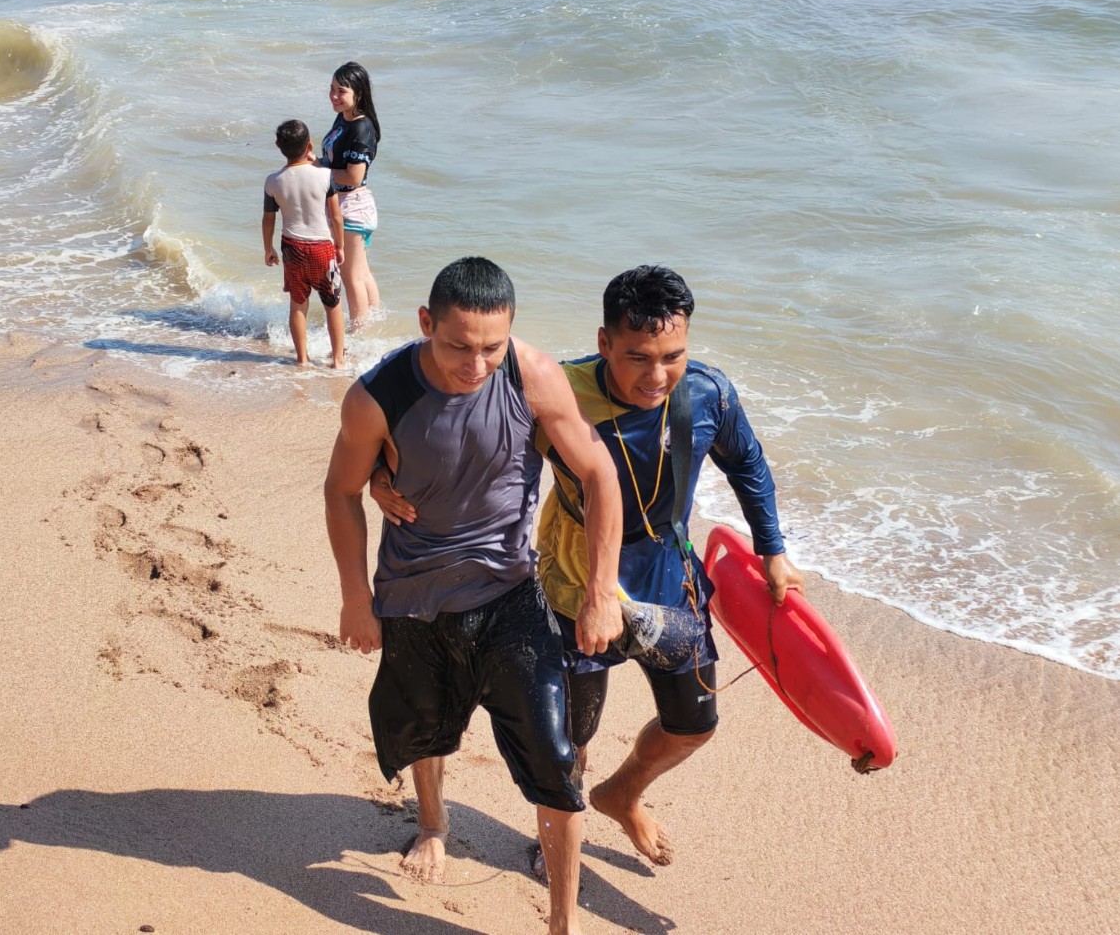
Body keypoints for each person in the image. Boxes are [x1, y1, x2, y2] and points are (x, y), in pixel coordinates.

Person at [373, 265, 805, 872]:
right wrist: (379, 475)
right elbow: (444, 427)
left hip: (668, 577)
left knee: (694, 723)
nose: (656, 376)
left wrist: (773, 549)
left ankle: (622, 794)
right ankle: (559, 833)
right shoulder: (559, 389)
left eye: (672, 356)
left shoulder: (708, 393)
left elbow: (749, 464)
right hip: (574, 581)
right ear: (604, 343)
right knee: (573, 734)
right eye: (636, 358)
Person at [324, 256, 623, 935]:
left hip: (510, 590)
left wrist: (601, 591)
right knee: (425, 729)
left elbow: (599, 473)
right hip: (414, 593)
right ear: (426, 323)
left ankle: (562, 924)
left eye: (491, 346)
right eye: (458, 345)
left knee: (554, 757)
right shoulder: (377, 396)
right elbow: (341, 489)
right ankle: (433, 823)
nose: (476, 364)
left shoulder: (531, 373)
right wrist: (353, 598)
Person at [262, 118, 345, 367]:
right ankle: (338, 359)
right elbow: (336, 216)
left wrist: (268, 248)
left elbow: (268, 220)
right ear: (309, 146)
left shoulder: (273, 182)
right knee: (333, 304)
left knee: (298, 304)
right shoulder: (325, 176)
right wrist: (339, 246)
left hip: (292, 248)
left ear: (278, 146)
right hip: (322, 248)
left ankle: (302, 359)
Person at [317, 61, 382, 326]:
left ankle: (358, 334)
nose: (334, 96)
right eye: (331, 88)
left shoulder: (361, 128)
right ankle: (374, 324)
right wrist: (318, 163)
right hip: (344, 204)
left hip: (352, 205)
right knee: (362, 272)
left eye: (341, 91)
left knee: (350, 274)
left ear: (359, 94)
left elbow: (354, 177)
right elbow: (334, 162)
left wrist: (319, 172)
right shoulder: (343, 117)